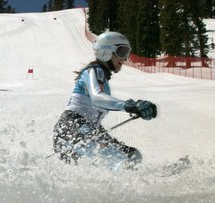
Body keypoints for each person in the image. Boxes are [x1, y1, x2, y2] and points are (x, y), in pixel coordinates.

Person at [53, 31, 157, 166]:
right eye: (122, 52)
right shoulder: (93, 71)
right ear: (106, 52)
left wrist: (102, 135)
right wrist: (129, 106)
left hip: (78, 128)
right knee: (123, 159)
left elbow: (90, 112)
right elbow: (98, 97)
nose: (125, 58)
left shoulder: (101, 76)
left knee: (129, 155)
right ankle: (132, 184)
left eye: (127, 52)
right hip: (72, 127)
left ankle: (131, 182)